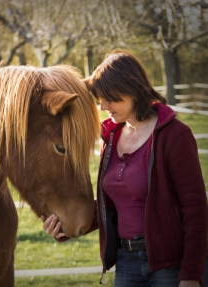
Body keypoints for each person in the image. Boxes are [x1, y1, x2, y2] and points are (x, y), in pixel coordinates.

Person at [41, 49, 208, 287]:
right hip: (126, 262)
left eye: (111, 98)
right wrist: (67, 227)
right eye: (100, 98)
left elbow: (196, 210)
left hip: (169, 264)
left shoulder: (174, 136)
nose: (104, 106)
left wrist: (191, 274)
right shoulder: (109, 138)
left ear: (133, 90)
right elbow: (114, 206)